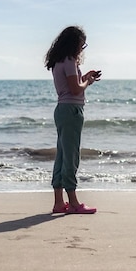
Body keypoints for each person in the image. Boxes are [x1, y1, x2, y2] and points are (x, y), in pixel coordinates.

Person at [44, 25, 101, 214]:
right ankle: (74, 203)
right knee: (71, 157)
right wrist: (88, 82)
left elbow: (71, 85)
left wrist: (84, 77)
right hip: (71, 110)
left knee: (62, 156)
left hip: (62, 109)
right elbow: (76, 89)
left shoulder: (59, 61)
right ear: (74, 44)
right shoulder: (69, 61)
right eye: (81, 45)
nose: (81, 49)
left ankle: (59, 202)